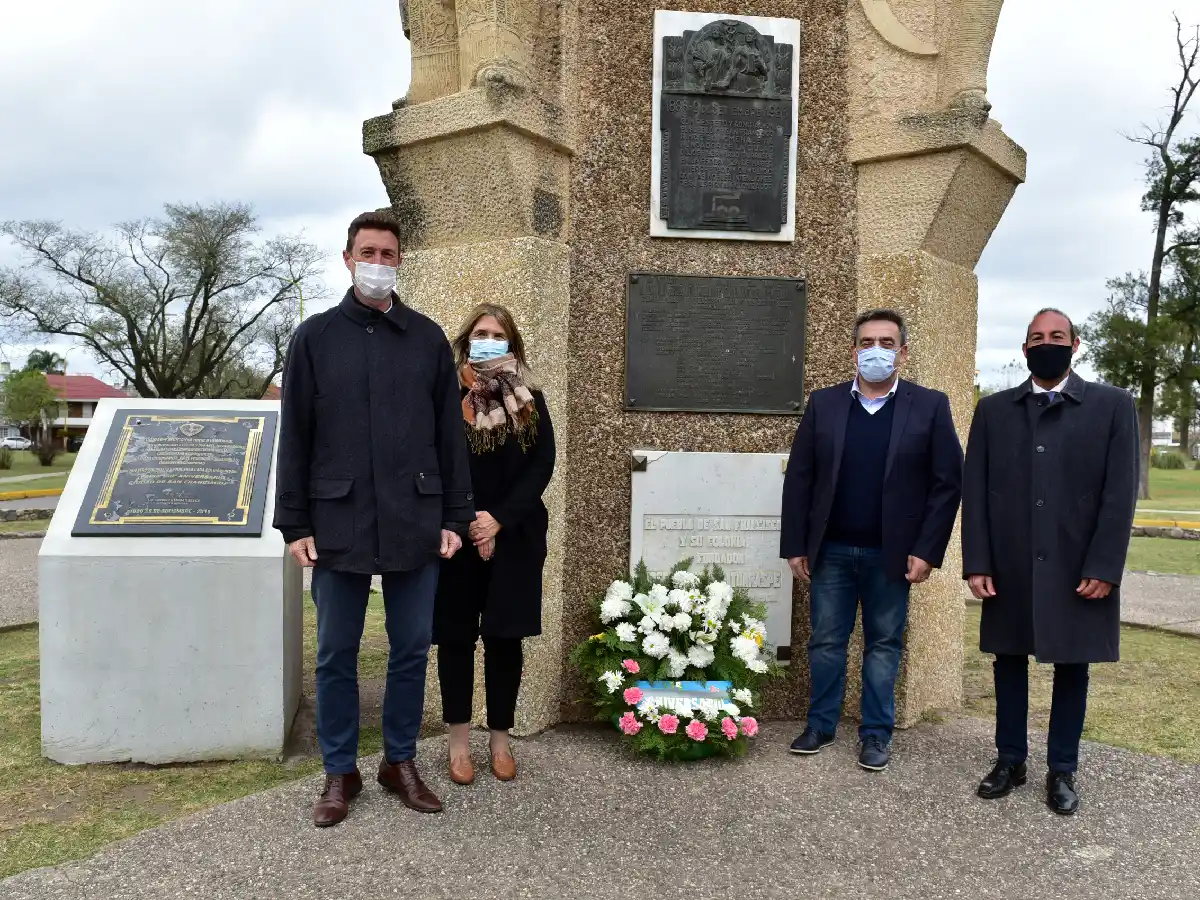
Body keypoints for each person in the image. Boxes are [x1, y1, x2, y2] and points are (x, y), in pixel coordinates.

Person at [274, 211, 474, 827]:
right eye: (368, 252)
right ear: (347, 257)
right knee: (336, 651)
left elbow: (449, 437)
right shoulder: (314, 337)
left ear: (400, 261)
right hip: (337, 521)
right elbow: (296, 438)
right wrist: (295, 524)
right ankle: (340, 771)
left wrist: (455, 516)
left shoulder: (427, 338)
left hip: (416, 515)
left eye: (389, 254)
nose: (378, 263)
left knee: (410, 648)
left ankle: (399, 761)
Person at [963, 308, 1138, 816]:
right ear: (1023, 349)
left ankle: (1062, 769)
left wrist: (1105, 566)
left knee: (1072, 665)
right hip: (1011, 563)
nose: (1046, 343)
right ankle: (1010, 760)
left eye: (1056, 336)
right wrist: (979, 561)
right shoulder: (994, 411)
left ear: (1075, 344)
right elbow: (975, 491)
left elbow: (1119, 494)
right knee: (1008, 661)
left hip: (1077, 564)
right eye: (1036, 337)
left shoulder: (1112, 406)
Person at [780, 309, 964, 771]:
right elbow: (801, 478)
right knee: (825, 642)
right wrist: (795, 543)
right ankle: (820, 724)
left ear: (902, 352)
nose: (875, 350)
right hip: (832, 552)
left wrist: (927, 549)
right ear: (853, 351)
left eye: (886, 342)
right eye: (867, 342)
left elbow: (948, 484)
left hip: (893, 555)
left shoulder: (929, 406)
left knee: (884, 643)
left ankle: (876, 734)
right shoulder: (824, 404)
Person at [434, 304, 555, 785]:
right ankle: (459, 746)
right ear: (466, 340)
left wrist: (499, 519)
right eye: (480, 333)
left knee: (505, 638)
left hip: (516, 533)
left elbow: (541, 463)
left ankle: (500, 741)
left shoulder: (530, 398)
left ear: (512, 344)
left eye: (497, 334)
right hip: (454, 535)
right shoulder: (447, 396)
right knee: (456, 639)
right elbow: (438, 461)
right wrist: (467, 519)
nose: (488, 340)